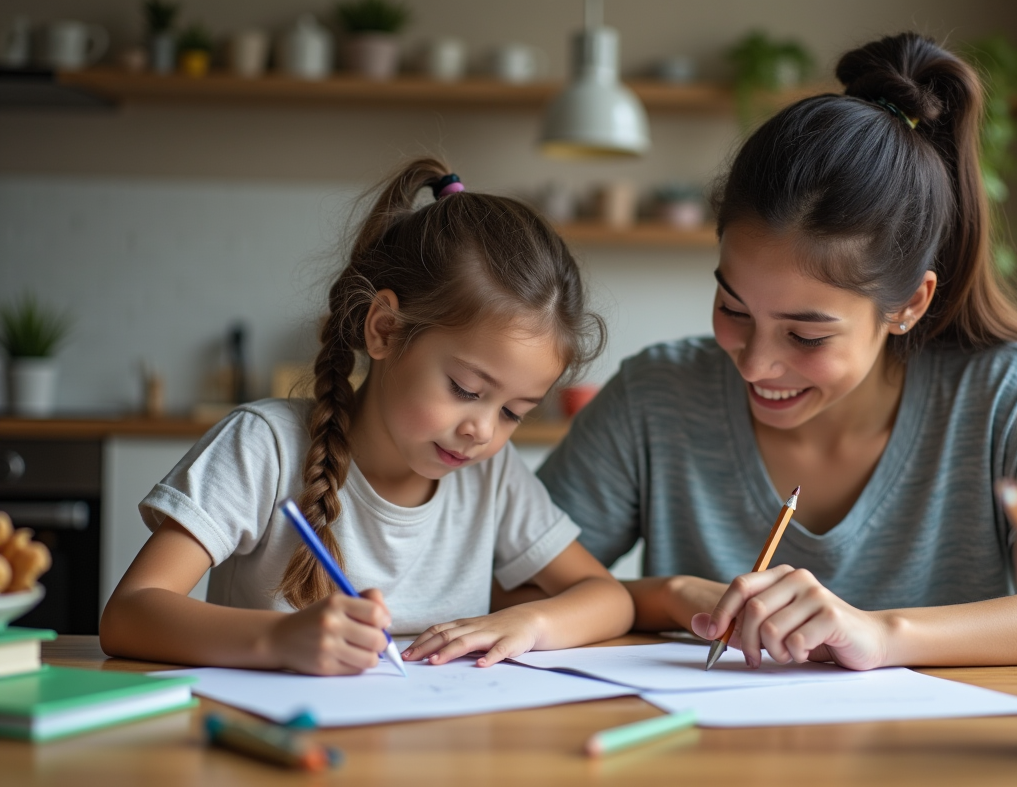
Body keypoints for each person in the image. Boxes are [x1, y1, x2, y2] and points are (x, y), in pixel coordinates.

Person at [537, 32, 1017, 670]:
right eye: (733, 308)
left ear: (908, 305)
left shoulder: (1011, 398)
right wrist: (675, 596)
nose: (754, 364)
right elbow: (515, 582)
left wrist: (884, 635)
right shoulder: (658, 397)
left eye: (806, 336)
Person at [100, 158, 633, 675]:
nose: (484, 431)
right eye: (466, 389)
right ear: (384, 329)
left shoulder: (492, 474)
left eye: (515, 412)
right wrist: (278, 640)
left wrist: (532, 621)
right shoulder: (265, 446)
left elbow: (608, 597)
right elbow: (129, 614)